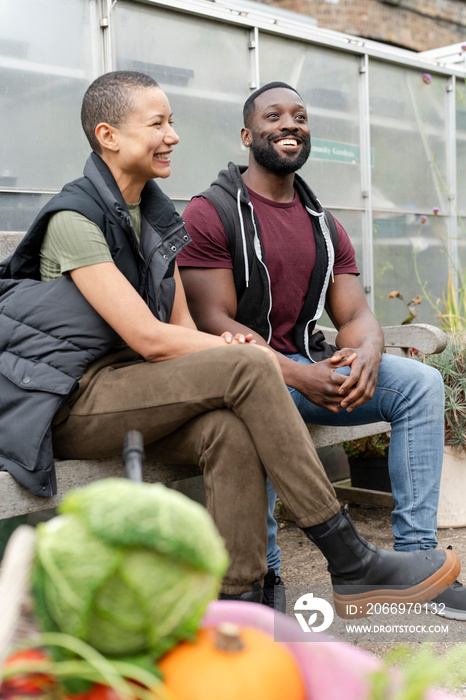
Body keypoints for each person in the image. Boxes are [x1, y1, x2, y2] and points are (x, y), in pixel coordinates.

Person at [1, 71, 459, 616]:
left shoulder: (156, 214)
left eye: (172, 122)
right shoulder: (75, 218)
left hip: (136, 388)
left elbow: (182, 330)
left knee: (228, 429)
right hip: (72, 400)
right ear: (109, 136)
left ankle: (245, 603)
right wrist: (246, 352)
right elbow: (148, 338)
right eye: (158, 123)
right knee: (249, 367)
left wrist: (231, 345)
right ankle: (349, 558)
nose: (173, 135)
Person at [178, 80, 466, 620]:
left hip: (307, 366)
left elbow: (354, 316)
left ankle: (416, 566)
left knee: (421, 383)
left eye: (300, 116)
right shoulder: (210, 213)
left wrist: (366, 356)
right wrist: (292, 375)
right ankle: (264, 578)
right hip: (239, 378)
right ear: (247, 134)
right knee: (259, 402)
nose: (290, 124)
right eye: (273, 116)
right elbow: (213, 320)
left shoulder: (324, 224)